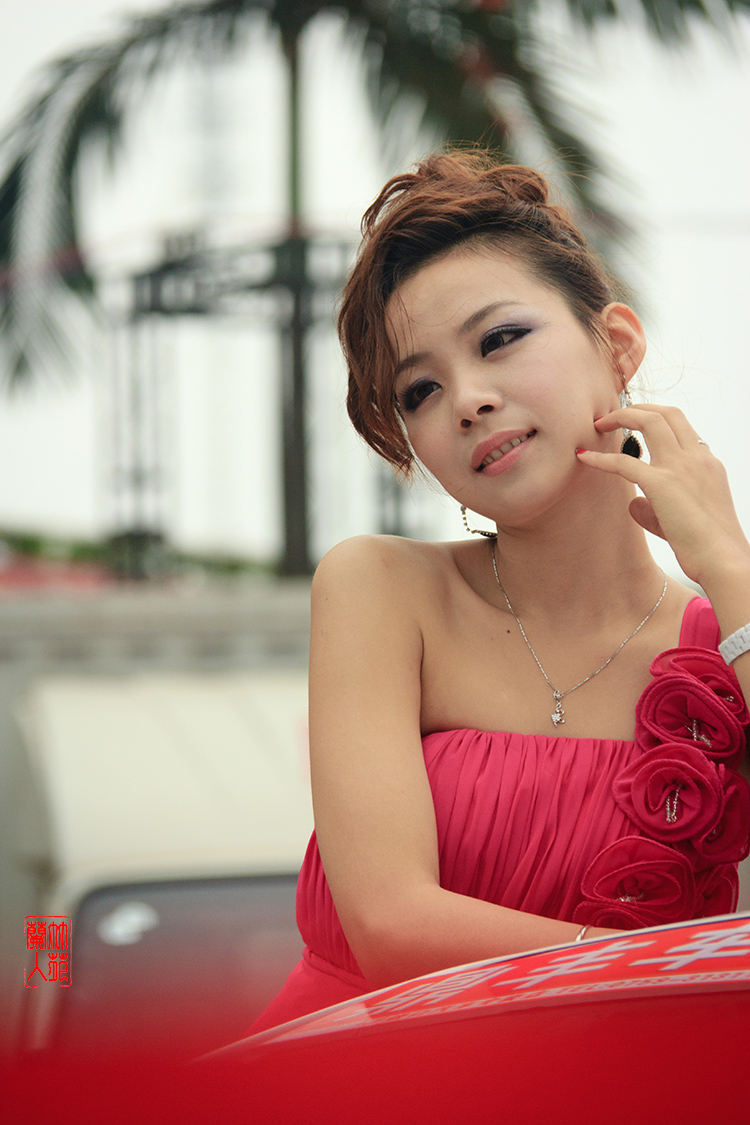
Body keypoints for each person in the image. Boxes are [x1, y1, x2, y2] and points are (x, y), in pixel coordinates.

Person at [250, 150, 750, 1034]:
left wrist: (731, 568)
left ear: (617, 345)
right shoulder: (382, 589)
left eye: (500, 339)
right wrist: (662, 975)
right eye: (421, 389)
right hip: (352, 1075)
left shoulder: (725, 644)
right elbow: (391, 927)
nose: (468, 400)